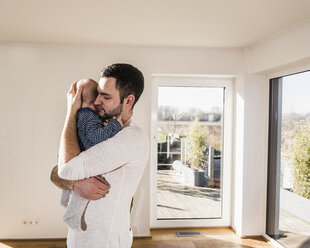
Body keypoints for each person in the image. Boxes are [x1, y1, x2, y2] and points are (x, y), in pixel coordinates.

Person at [50, 63, 149, 248]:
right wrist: (75, 184)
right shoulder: (96, 126)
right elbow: (55, 173)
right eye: (97, 94)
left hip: (105, 242)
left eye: (106, 96)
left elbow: (66, 169)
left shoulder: (132, 139)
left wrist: (71, 111)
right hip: (77, 239)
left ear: (128, 101)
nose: (96, 102)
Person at [61, 78, 123, 231]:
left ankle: (65, 201)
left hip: (78, 157)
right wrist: (115, 125)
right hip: (83, 162)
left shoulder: (81, 116)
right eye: (97, 95)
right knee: (80, 195)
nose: (99, 101)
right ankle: (71, 216)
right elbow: (95, 139)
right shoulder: (88, 116)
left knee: (72, 188)